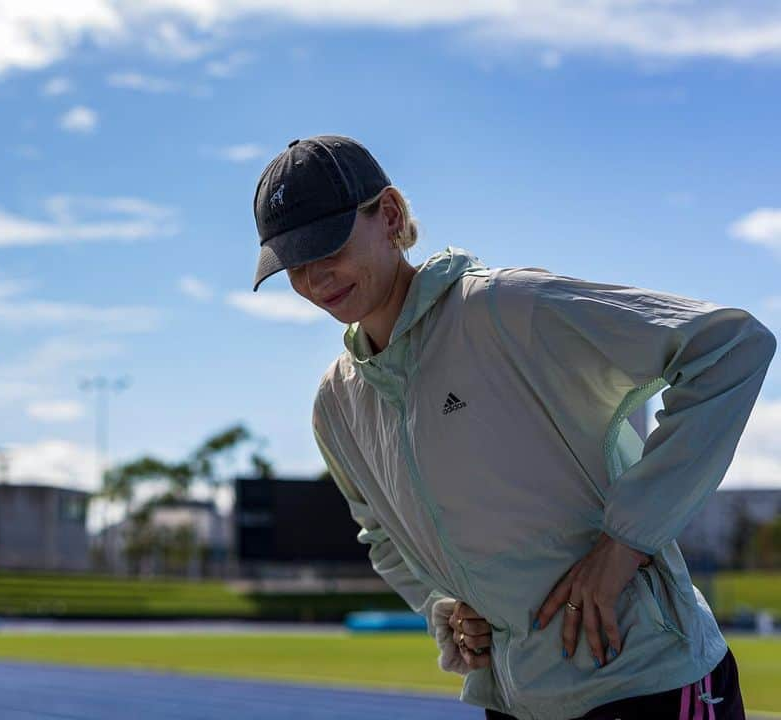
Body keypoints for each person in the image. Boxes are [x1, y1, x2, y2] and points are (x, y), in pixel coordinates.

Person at [250, 134, 776, 720]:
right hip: (515, 698)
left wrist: (626, 543)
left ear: (391, 216)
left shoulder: (502, 309)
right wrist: (445, 605)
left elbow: (730, 347)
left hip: (644, 679)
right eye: (294, 265)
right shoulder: (337, 404)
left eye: (328, 247)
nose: (315, 279)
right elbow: (381, 535)